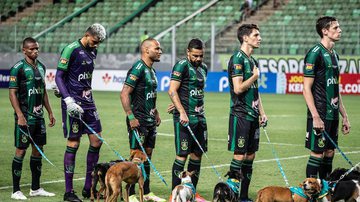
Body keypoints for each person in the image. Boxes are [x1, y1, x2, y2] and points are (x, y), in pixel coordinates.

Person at [55, 23, 107, 202]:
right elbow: (59, 76)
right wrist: (67, 98)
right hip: (73, 104)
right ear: (87, 35)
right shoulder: (71, 49)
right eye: (94, 41)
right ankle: (68, 192)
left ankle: (88, 187)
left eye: (99, 42)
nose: (96, 45)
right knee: (74, 143)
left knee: (96, 140)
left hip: (89, 102)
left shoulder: (93, 51)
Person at [303, 16, 350, 179]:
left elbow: (335, 88)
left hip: (333, 114)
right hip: (320, 113)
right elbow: (306, 88)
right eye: (335, 28)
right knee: (317, 153)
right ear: (325, 31)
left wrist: (344, 115)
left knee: (330, 152)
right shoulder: (314, 54)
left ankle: (325, 191)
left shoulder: (335, 55)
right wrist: (315, 116)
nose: (340, 30)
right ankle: (309, 194)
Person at [9, 37, 56, 200]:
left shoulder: (42, 67)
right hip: (24, 119)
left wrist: (49, 111)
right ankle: (16, 190)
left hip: (38, 118)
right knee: (21, 151)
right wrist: (20, 115)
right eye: (31, 49)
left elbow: (42, 91)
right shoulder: (18, 68)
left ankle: (35, 188)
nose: (35, 51)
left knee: (38, 151)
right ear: (24, 50)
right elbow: (12, 93)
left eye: (37, 48)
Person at [120, 38, 166, 202]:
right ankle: (130, 194)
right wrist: (130, 116)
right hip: (138, 120)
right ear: (146, 50)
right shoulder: (138, 68)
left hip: (150, 120)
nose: (160, 51)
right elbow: (124, 93)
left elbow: (150, 95)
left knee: (147, 157)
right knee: (136, 157)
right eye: (157, 48)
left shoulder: (152, 71)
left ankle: (146, 192)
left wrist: (156, 112)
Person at [227, 24, 267, 202]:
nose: (260, 38)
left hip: (252, 115)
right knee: (239, 155)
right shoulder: (237, 59)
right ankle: (231, 195)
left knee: (250, 155)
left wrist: (262, 112)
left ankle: (243, 196)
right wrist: (254, 77)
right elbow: (238, 89)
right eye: (256, 35)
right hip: (240, 114)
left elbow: (255, 91)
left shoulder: (253, 61)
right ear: (245, 38)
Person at [168, 38, 208, 202]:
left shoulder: (204, 68)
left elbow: (196, 92)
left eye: (201, 56)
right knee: (182, 155)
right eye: (195, 55)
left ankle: (192, 193)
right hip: (185, 119)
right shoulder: (182, 66)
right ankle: (174, 194)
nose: (198, 59)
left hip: (200, 117)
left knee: (197, 155)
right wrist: (181, 111)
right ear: (188, 53)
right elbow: (172, 90)